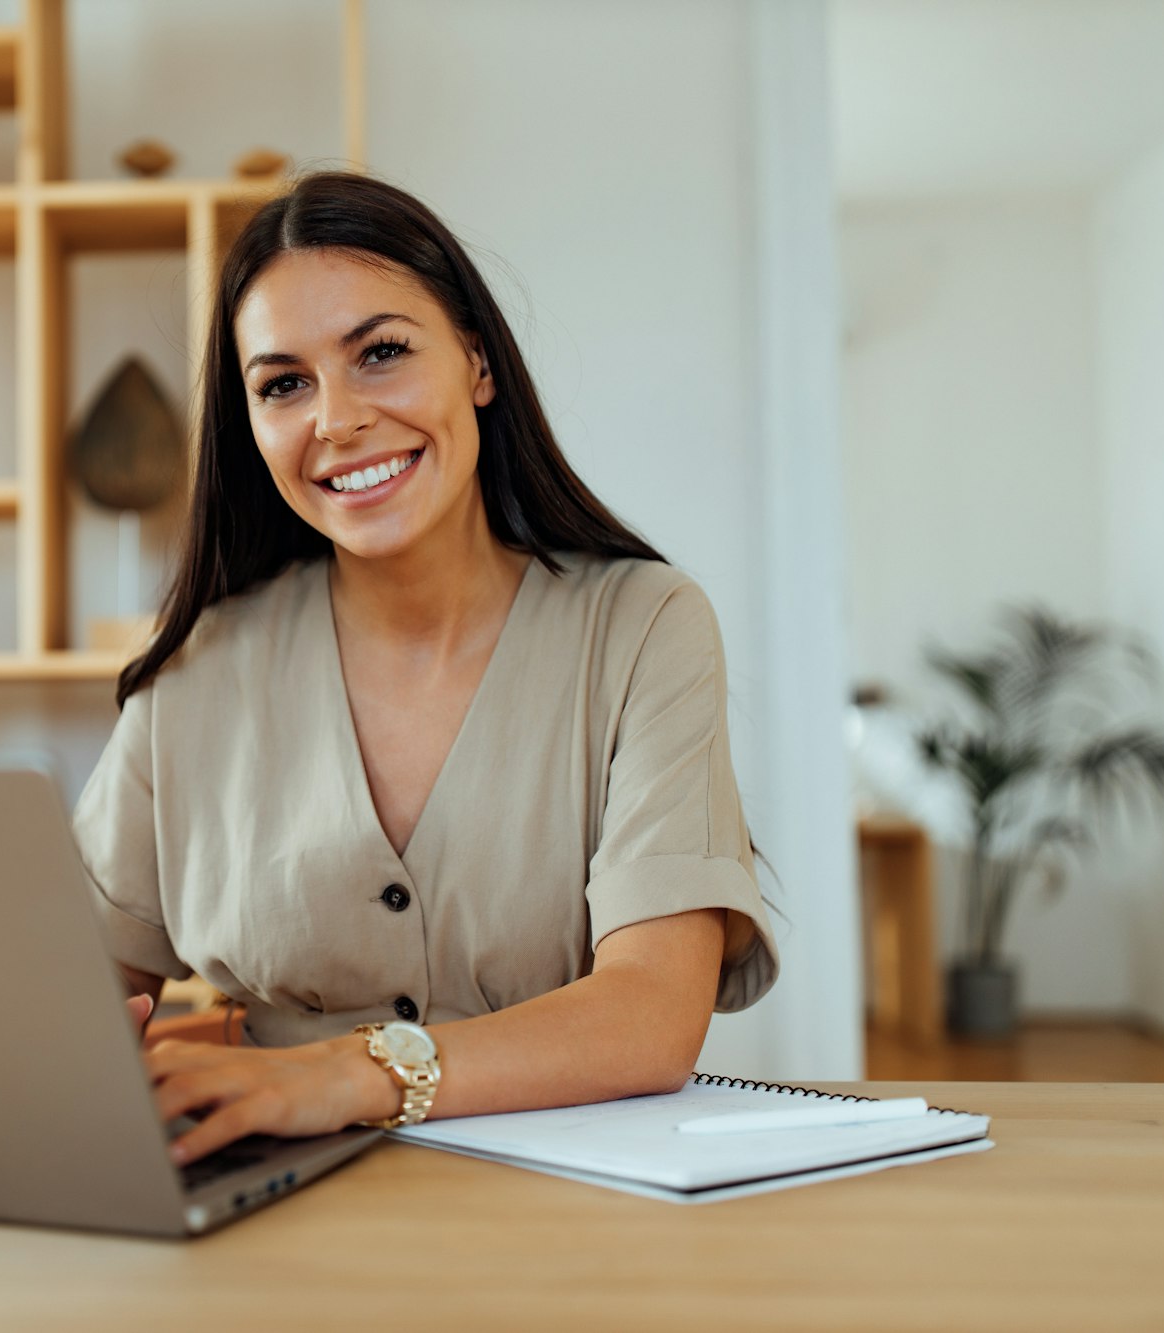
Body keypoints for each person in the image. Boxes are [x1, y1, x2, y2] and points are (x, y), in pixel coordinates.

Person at [72, 170, 781, 1168]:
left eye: (381, 354)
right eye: (283, 383)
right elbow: (61, 1003)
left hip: (576, 1206)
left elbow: (650, 1012)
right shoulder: (194, 675)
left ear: (477, 363)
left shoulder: (640, 628)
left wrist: (342, 1072)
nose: (336, 419)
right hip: (264, 1204)